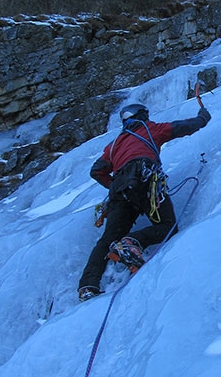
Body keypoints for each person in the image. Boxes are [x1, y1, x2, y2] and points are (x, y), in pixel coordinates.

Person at [78, 98, 210, 301]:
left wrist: (115, 185)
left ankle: (87, 286)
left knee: (108, 239)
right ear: (142, 116)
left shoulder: (113, 146)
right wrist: (202, 118)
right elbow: (182, 127)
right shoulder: (149, 129)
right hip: (145, 178)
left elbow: (96, 171)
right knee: (167, 226)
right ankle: (132, 242)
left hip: (119, 190)